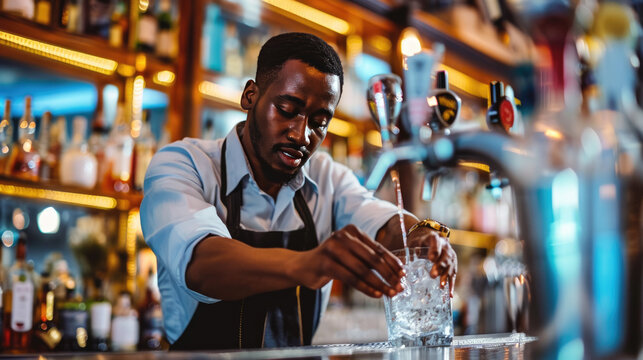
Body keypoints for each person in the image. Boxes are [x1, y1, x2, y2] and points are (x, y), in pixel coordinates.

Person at [140, 32, 457, 350]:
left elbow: (384, 225)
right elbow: (202, 265)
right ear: (250, 95)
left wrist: (422, 236)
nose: (301, 134)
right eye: (288, 110)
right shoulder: (185, 164)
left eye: (319, 122)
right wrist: (309, 264)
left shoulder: (328, 179)